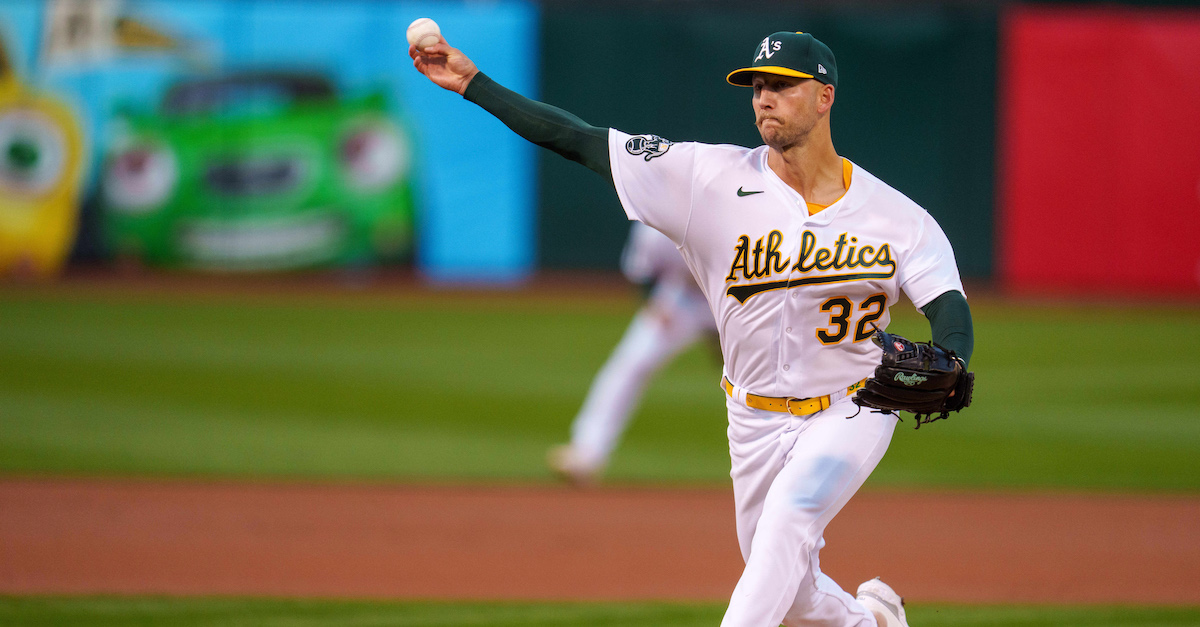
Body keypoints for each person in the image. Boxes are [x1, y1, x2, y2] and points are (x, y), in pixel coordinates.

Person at [411, 29, 974, 627]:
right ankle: (875, 622)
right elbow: (577, 140)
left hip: (853, 407)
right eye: (757, 86)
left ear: (824, 96)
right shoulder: (705, 177)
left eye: (782, 85)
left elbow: (948, 306)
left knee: (789, 517)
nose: (764, 98)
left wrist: (953, 358)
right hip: (753, 417)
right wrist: (474, 84)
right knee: (795, 590)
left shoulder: (897, 217)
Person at [548, 221, 718, 485]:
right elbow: (641, 273)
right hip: (682, 300)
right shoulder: (654, 224)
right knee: (631, 362)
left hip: (738, 298)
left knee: (761, 380)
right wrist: (652, 303)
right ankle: (586, 453)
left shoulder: (729, 205)